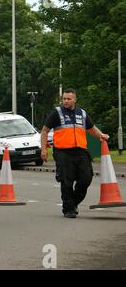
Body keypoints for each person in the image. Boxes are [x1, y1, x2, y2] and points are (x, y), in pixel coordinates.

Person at [40, 89, 109, 218]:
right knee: (66, 181)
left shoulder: (82, 113)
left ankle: (73, 203)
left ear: (75, 100)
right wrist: (43, 149)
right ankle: (68, 210)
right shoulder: (56, 113)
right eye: (64, 99)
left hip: (81, 151)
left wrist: (101, 135)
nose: (66, 101)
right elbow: (44, 131)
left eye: (69, 99)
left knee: (86, 179)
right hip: (63, 152)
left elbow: (91, 129)